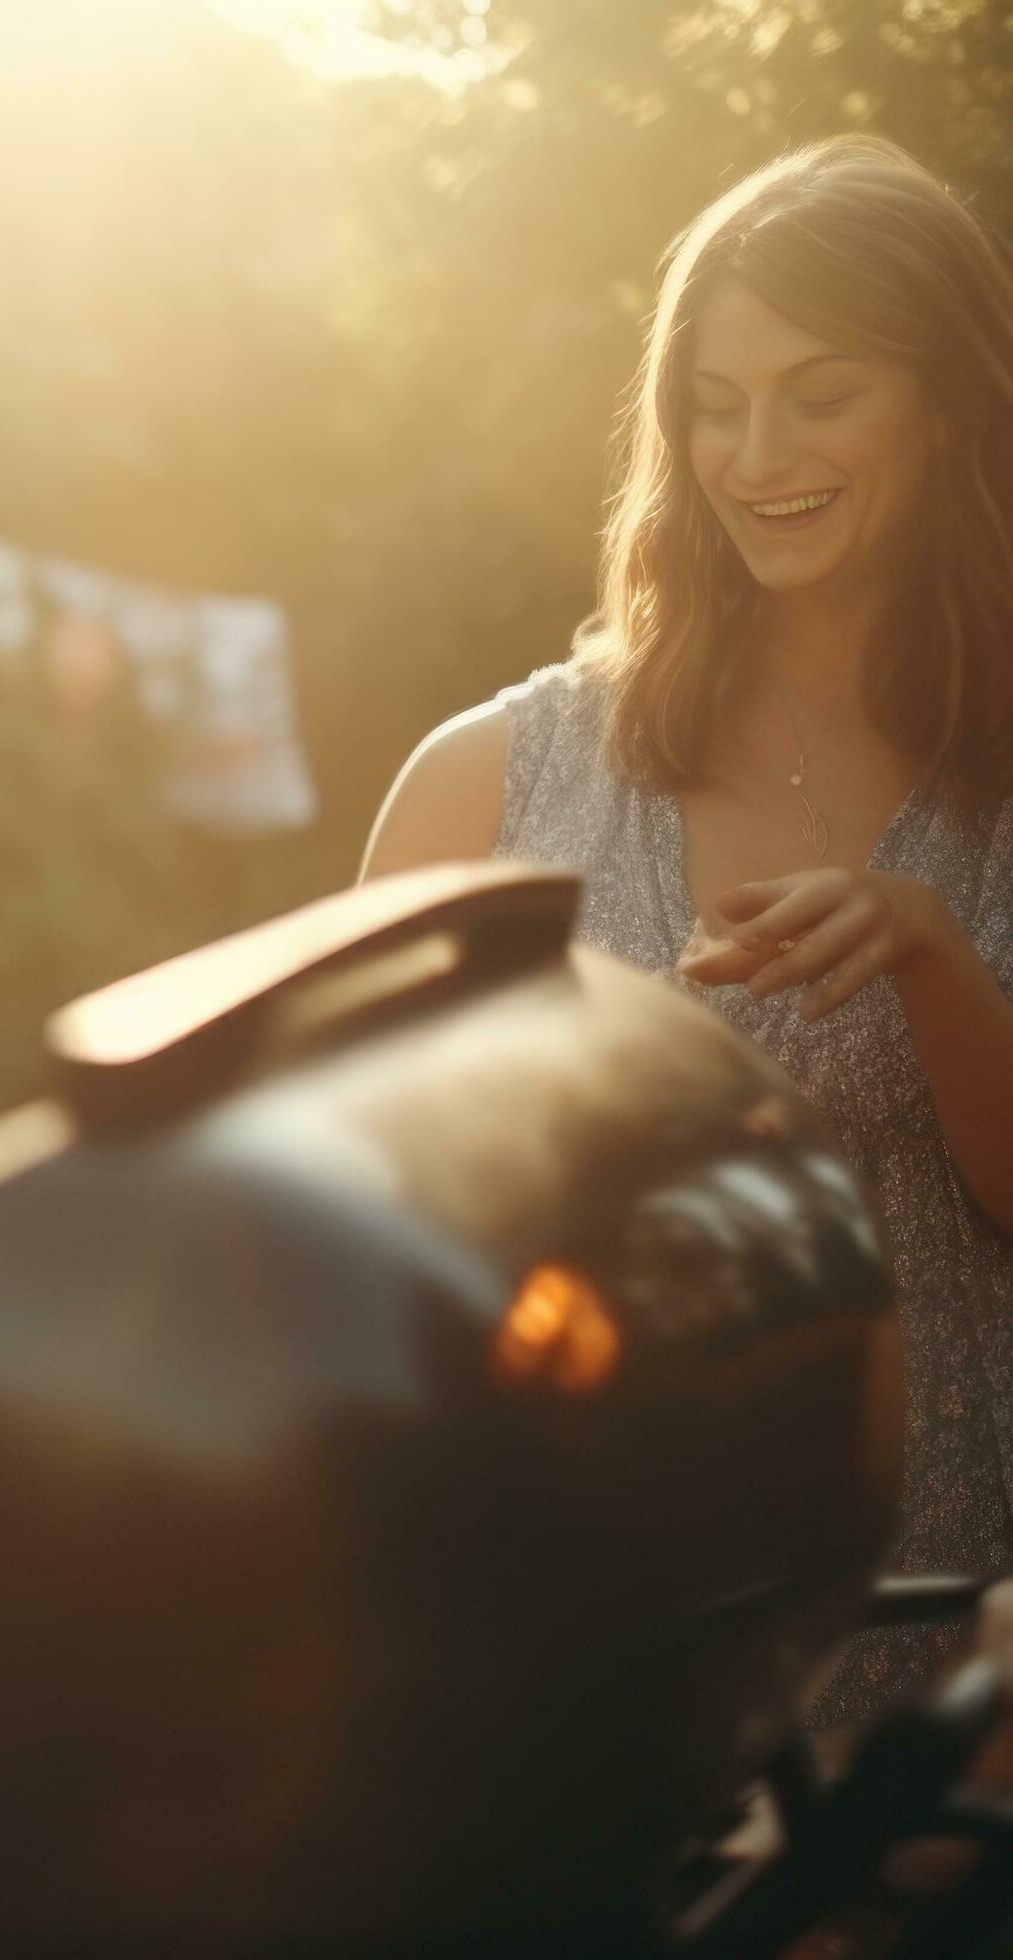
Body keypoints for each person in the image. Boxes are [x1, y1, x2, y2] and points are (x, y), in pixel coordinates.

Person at [363, 136, 1013, 1721]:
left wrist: (927, 956)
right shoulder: (485, 781)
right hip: (584, 1681)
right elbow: (343, 1242)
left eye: (820, 390)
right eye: (713, 403)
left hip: (955, 1685)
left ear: (946, 403)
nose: (754, 451)